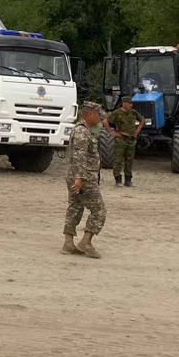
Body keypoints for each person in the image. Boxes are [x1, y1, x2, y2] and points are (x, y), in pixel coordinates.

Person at [62, 101, 106, 258]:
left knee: (75, 207)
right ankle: (86, 242)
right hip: (84, 179)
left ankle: (68, 244)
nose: (100, 118)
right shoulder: (82, 132)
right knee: (99, 210)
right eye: (98, 115)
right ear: (89, 114)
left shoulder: (83, 130)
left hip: (76, 177)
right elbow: (79, 156)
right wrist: (79, 179)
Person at [104, 96, 144, 187]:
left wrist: (137, 132)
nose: (131, 105)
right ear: (124, 103)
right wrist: (111, 133)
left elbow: (142, 120)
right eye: (129, 103)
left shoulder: (133, 112)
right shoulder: (117, 113)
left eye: (131, 103)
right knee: (118, 160)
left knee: (129, 160)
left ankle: (128, 180)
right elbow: (105, 121)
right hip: (121, 139)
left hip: (131, 140)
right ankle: (118, 180)